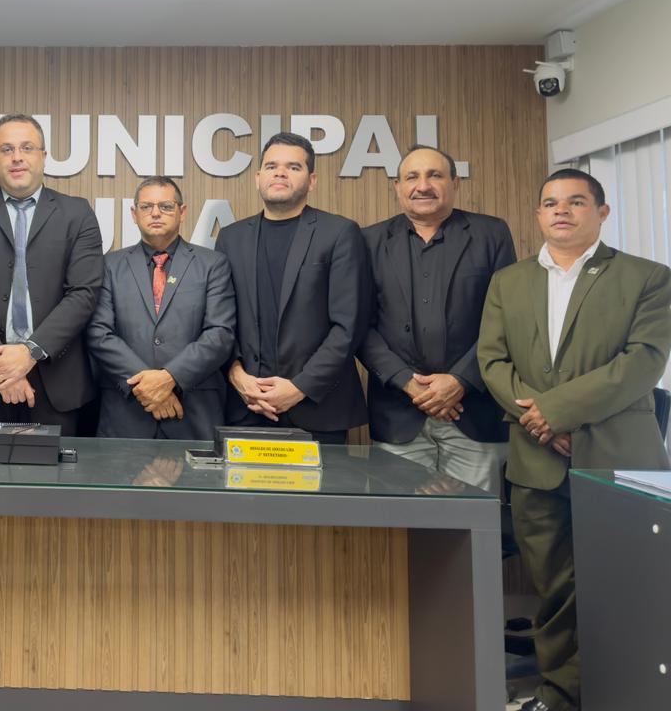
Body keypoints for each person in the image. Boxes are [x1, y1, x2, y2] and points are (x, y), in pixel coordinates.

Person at [479, 168, 671, 711]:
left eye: (576, 202)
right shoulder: (508, 282)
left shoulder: (649, 277)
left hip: (620, 459)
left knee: (626, 585)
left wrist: (555, 413)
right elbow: (492, 361)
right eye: (550, 203)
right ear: (539, 215)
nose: (561, 211)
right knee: (557, 594)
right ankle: (561, 696)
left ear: (602, 212)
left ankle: (625, 694)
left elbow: (643, 363)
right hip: (536, 461)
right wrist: (539, 423)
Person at [359, 145, 515, 493]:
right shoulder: (368, 242)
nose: (423, 185)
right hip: (399, 414)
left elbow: (506, 320)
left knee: (474, 530)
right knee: (402, 532)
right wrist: (408, 383)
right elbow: (360, 326)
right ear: (397, 186)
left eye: (435, 175)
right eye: (412, 176)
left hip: (473, 412)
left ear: (455, 182)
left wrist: (460, 380)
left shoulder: (491, 235)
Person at [0, 113, 104, 435]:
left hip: (57, 383)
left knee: (54, 483)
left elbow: (84, 293)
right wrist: (1, 370)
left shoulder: (77, 212)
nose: (17, 157)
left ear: (43, 156)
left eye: (27, 148)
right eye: (6, 149)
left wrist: (30, 352)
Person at [214, 131, 371, 444]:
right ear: (258, 177)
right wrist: (237, 376)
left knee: (317, 495)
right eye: (271, 166)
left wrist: (299, 387)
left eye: (293, 167)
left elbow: (349, 326)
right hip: (247, 406)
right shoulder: (231, 238)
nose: (280, 172)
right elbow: (220, 317)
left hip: (317, 408)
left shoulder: (340, 233)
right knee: (246, 495)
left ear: (311, 180)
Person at [87, 177, 236, 439]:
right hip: (126, 412)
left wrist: (169, 379)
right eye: (146, 207)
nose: (155, 213)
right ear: (134, 214)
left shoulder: (213, 264)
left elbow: (219, 334)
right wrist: (148, 387)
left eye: (166, 206)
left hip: (192, 410)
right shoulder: (109, 265)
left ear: (183, 212)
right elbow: (99, 333)